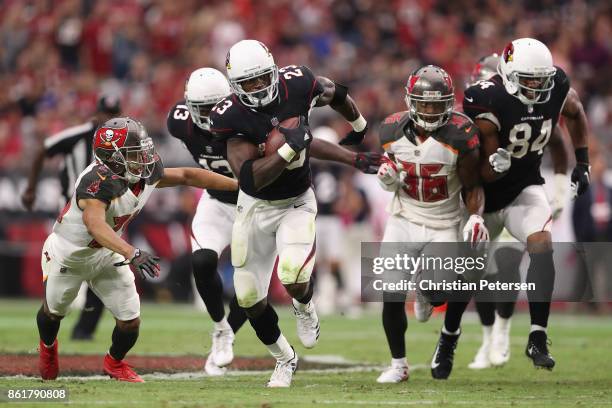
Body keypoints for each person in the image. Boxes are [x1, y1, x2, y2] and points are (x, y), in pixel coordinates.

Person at [210, 39, 379, 387]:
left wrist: (359, 126)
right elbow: (250, 179)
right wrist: (289, 149)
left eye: (261, 79)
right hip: (255, 206)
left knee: (293, 276)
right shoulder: (229, 116)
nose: (257, 88)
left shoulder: (297, 82)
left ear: (272, 71)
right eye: (248, 83)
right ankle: (285, 359)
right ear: (235, 86)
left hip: (297, 201)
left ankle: (305, 307)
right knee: (247, 297)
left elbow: (335, 94)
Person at [37, 117, 237, 382]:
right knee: (54, 313)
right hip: (70, 254)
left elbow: (189, 175)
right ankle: (48, 349)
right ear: (113, 157)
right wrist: (132, 253)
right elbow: (95, 225)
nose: (144, 156)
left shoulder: (145, 171)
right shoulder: (97, 181)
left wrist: (240, 187)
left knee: (130, 320)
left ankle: (114, 363)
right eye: (134, 152)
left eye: (142, 148)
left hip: (107, 253)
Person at [437, 37, 591, 379]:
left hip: (525, 187)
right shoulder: (483, 99)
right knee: (469, 274)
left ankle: (537, 335)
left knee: (541, 245)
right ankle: (448, 338)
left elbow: (575, 112)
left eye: (542, 79)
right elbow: (478, 172)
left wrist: (582, 163)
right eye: (529, 79)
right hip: (484, 194)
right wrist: (494, 168)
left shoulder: (556, 86)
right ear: (507, 74)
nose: (537, 86)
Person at [374, 65, 488, 383]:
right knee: (391, 293)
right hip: (403, 217)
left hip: (444, 222)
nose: (430, 110)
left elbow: (472, 185)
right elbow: (391, 176)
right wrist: (389, 180)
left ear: (449, 104)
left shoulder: (461, 135)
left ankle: (426, 291)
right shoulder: (390, 130)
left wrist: (475, 215)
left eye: (437, 104)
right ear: (411, 101)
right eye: (424, 103)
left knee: (438, 291)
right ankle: (398, 364)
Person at [466, 54, 570, 370]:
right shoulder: (477, 104)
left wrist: (564, 181)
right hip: (481, 198)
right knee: (475, 271)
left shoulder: (533, 105)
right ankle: (487, 338)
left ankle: (514, 333)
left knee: (512, 261)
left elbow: (557, 134)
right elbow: (468, 166)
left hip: (520, 194)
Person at [167, 67, 247, 376]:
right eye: (202, 108)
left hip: (255, 207)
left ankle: (229, 336)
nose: (210, 114)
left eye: (216, 106)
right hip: (215, 202)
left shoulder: (248, 118)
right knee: (201, 262)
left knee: (250, 291)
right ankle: (220, 328)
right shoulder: (179, 123)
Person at [22, 95, 122, 341]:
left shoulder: (123, 141)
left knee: (104, 264)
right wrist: (31, 188)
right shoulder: (77, 136)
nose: (108, 119)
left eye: (113, 115)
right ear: (96, 114)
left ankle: (83, 331)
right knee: (64, 266)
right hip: (71, 213)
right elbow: (43, 149)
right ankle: (51, 315)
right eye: (106, 114)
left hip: (106, 213)